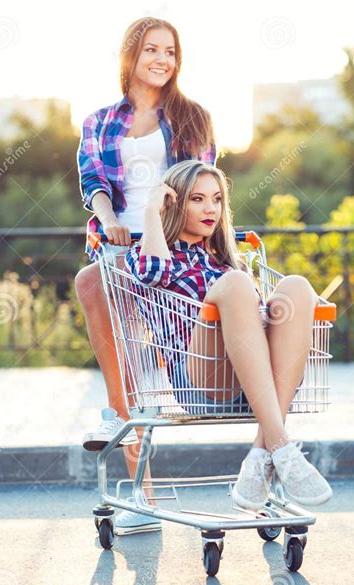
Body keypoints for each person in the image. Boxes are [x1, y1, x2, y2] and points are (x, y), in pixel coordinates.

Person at [75, 18, 216, 534]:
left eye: (171, 51)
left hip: (170, 248)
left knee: (153, 357)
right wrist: (109, 221)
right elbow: (93, 180)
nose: (162, 59)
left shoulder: (193, 118)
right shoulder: (99, 121)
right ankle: (137, 476)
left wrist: (161, 233)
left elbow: (201, 187)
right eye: (152, 49)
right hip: (120, 245)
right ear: (130, 55)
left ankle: (122, 420)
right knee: (94, 284)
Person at [125, 160, 333, 509]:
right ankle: (281, 447)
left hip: (259, 379)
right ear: (174, 204)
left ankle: (259, 456)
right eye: (197, 199)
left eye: (217, 199)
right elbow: (153, 273)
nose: (211, 208)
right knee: (235, 285)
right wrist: (150, 210)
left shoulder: (227, 262)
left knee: (296, 286)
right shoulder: (145, 254)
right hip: (203, 380)